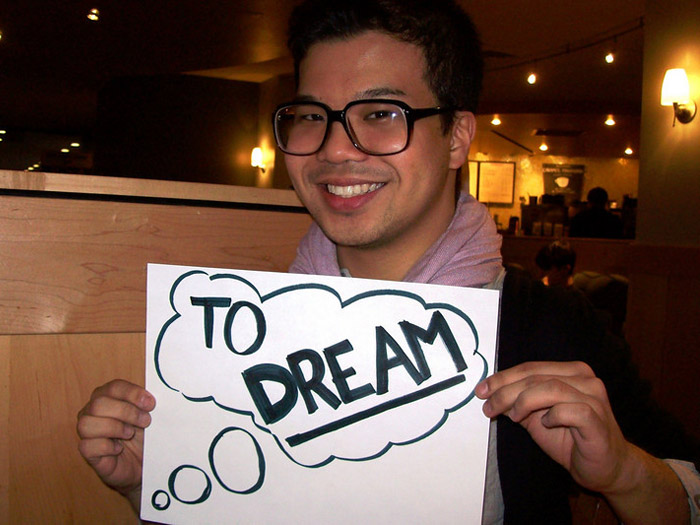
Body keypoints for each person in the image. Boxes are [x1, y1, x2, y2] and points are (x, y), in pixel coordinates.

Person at [77, 0, 700, 522]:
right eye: (312, 116)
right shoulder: (244, 331)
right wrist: (154, 483)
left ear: (456, 136)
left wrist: (622, 470)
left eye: (380, 114)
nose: (337, 148)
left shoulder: (554, 327)